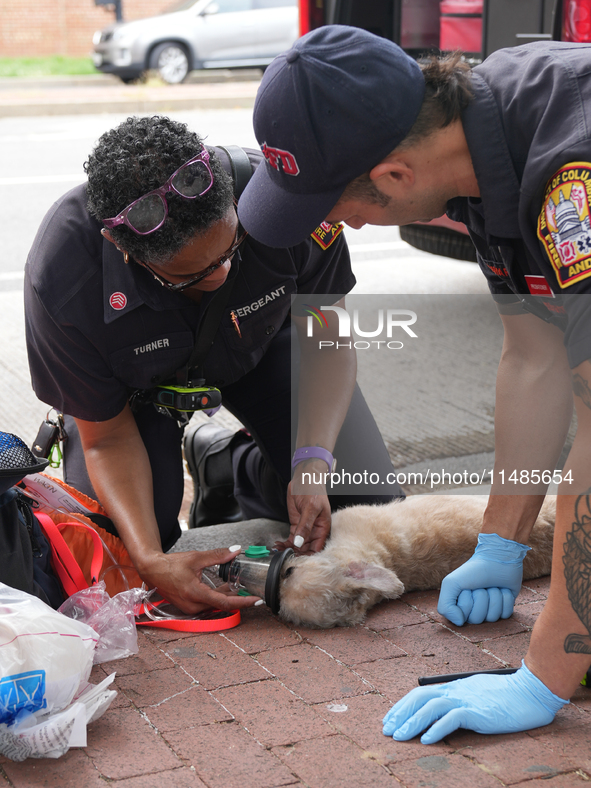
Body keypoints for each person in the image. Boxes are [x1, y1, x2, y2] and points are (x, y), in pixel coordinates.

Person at [236, 26, 591, 740]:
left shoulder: (568, 182)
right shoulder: (484, 150)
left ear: (396, 176)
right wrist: (500, 543)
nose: (347, 228)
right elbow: (532, 357)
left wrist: (545, 673)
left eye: (336, 210)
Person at [24, 114, 403, 616]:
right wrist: (150, 558)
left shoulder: (283, 198)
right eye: (195, 273)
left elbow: (327, 339)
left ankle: (239, 465)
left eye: (233, 248)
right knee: (123, 556)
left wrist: (312, 461)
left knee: (367, 505)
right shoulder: (63, 275)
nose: (223, 274)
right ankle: (206, 477)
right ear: (125, 250)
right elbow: (106, 438)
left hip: (270, 349)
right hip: (134, 402)